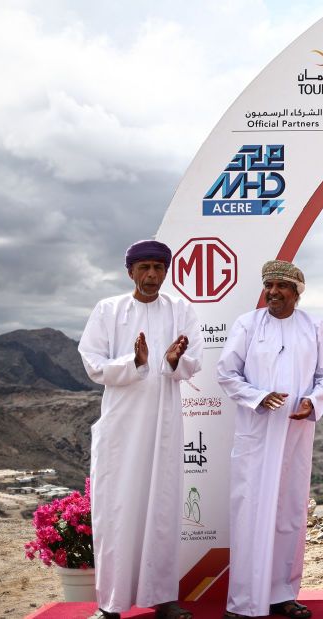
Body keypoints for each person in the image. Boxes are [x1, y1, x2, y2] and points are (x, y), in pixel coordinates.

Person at [78, 240, 202, 619]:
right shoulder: (108, 310)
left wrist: (174, 359)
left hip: (164, 423)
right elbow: (93, 363)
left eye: (159, 268)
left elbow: (193, 360)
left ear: (167, 271)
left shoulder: (181, 309)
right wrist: (134, 360)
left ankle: (163, 597)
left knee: (161, 506)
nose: (152, 275)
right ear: (129, 271)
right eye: (144, 267)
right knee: (116, 509)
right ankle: (110, 603)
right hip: (121, 426)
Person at [217, 260, 323, 619]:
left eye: (281, 286)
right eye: (268, 285)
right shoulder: (248, 324)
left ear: (296, 292)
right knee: (250, 513)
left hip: (295, 434)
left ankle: (282, 593)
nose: (273, 292)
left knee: (289, 513)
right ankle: (243, 602)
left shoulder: (314, 326)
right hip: (256, 434)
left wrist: (312, 401)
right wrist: (257, 397)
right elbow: (227, 373)